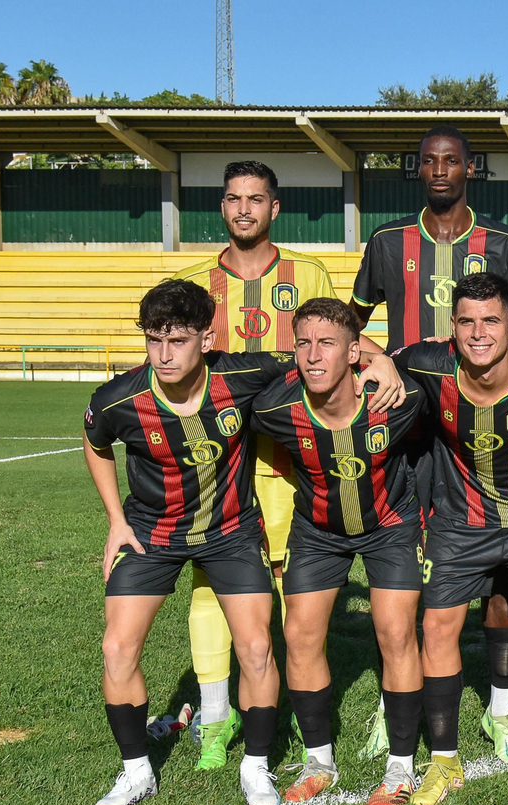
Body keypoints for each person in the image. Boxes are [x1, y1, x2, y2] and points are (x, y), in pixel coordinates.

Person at [82, 280, 399, 805]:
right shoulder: (119, 398)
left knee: (255, 648)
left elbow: (322, 352)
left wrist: (381, 360)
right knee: (117, 648)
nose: (163, 354)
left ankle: (256, 766)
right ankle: (136, 770)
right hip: (152, 533)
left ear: (207, 339)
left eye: (177, 340)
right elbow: (95, 443)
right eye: (153, 339)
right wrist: (115, 520)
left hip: (231, 533)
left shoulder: (244, 373)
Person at [352, 125, 508, 764]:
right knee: (400, 558)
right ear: (417, 169)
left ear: (470, 169)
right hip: (409, 423)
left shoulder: (505, 243)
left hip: (482, 416)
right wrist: (382, 362)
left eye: (450, 161)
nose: (439, 171)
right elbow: (352, 321)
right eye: (428, 161)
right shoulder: (387, 241)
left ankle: (503, 708)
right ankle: (391, 698)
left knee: (501, 568)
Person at [171, 160, 339, 769]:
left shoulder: (310, 273)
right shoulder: (192, 282)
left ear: (276, 207)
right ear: (222, 208)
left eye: (257, 199)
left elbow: (332, 354)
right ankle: (216, 716)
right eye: (235, 200)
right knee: (213, 587)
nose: (245, 210)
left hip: (292, 465)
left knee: (298, 592)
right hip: (216, 466)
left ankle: (295, 706)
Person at [395, 272, 508, 805]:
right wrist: (379, 359)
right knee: (436, 630)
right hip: (460, 523)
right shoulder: (430, 364)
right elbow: (373, 355)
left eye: (491, 320)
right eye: (468, 322)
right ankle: (445, 761)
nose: (479, 333)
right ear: (451, 327)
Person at [250, 298, 425, 805]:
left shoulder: (397, 398)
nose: (312, 355)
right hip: (318, 532)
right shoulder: (274, 408)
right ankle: (318, 760)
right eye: (303, 343)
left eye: (327, 343)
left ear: (354, 353)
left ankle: (400, 766)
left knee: (395, 634)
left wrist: (386, 360)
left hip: (389, 526)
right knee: (299, 635)